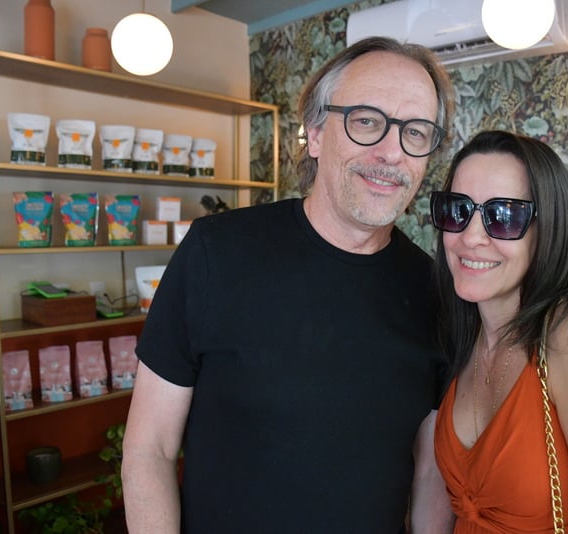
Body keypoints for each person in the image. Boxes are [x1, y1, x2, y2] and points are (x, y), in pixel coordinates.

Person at [122, 37, 456, 533]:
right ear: (315, 134)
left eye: (416, 131)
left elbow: (429, 474)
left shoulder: (437, 294)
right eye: (367, 121)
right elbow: (150, 448)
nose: (392, 152)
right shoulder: (216, 252)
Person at [430, 130, 568, 533]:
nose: (471, 237)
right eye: (457, 210)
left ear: (546, 229)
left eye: (503, 216)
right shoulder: (460, 332)